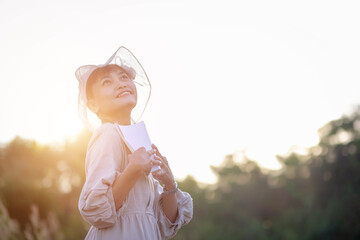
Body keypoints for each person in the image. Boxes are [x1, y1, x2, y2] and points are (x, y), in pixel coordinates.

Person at [75, 47, 193, 240]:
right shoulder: (108, 133)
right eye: (107, 82)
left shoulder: (138, 139)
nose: (121, 84)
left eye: (124, 77)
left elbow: (164, 224)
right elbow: (96, 212)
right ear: (94, 105)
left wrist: (170, 183)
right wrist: (133, 169)